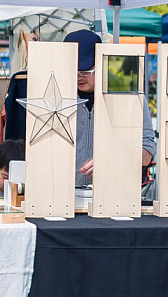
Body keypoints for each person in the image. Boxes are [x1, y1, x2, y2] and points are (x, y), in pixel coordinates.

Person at [64, 30, 156, 187]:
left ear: (101, 64)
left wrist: (108, 159)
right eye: (73, 70)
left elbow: (147, 153)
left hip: (114, 195)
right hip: (62, 196)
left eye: (86, 70)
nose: (79, 76)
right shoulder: (55, 98)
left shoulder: (129, 97)